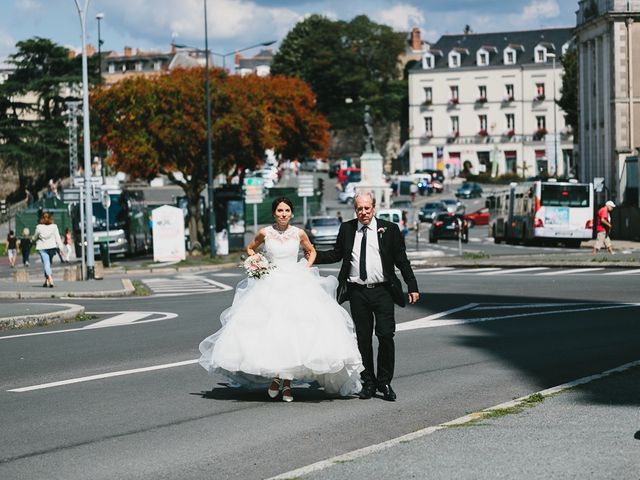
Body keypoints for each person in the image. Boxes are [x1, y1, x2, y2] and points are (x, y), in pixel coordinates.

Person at [199, 197, 363, 402]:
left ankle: (285, 384)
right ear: (274, 213)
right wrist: (257, 262)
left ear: (291, 214)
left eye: (287, 210)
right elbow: (251, 248)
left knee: (296, 335)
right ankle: (279, 380)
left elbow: (311, 251)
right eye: (279, 210)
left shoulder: (299, 233)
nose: (283, 214)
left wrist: (305, 266)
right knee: (275, 334)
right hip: (270, 283)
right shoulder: (265, 232)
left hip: (296, 282)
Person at [314, 191, 419, 401]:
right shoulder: (347, 229)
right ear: (355, 209)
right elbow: (336, 254)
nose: (363, 212)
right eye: (359, 208)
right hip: (357, 292)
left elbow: (402, 260)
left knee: (386, 336)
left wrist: (412, 285)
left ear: (374, 208)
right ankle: (368, 383)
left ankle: (385, 382)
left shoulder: (389, 229)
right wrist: (313, 254)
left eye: (367, 208)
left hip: (383, 291)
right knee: (363, 339)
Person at [33, 212, 65, 287]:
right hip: (52, 248)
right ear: (50, 219)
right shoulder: (54, 226)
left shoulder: (39, 227)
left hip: (42, 248)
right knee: (48, 264)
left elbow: (34, 237)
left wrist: (33, 240)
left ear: (41, 219)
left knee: (46, 264)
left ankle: (50, 279)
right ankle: (46, 281)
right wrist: (61, 248)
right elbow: (58, 238)